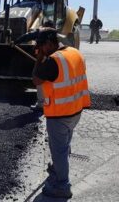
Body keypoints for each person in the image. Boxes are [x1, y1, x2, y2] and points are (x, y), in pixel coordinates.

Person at [32, 28, 90, 199]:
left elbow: (36, 79)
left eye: (42, 46)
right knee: (64, 146)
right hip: (75, 110)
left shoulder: (53, 61)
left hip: (60, 114)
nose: (41, 49)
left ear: (50, 44)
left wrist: (39, 58)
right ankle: (58, 168)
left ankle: (62, 186)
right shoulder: (74, 52)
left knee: (59, 151)